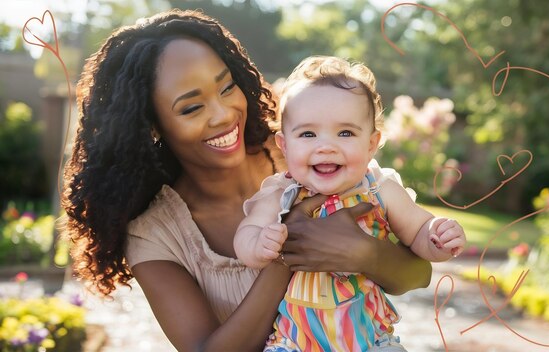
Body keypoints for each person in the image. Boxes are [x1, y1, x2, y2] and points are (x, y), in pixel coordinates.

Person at [60, 9, 433, 352]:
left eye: (226, 87)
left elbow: (417, 274)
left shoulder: (309, 151)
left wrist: (365, 254)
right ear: (152, 125)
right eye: (191, 108)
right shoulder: (155, 234)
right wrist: (289, 252)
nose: (223, 115)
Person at [233, 56, 467, 351]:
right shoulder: (281, 192)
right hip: (294, 340)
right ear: (285, 145)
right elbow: (246, 233)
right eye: (308, 134)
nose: (326, 146)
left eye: (345, 133)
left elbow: (419, 231)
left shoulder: (381, 189)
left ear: (371, 144)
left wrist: (438, 237)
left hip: (369, 338)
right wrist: (258, 245)